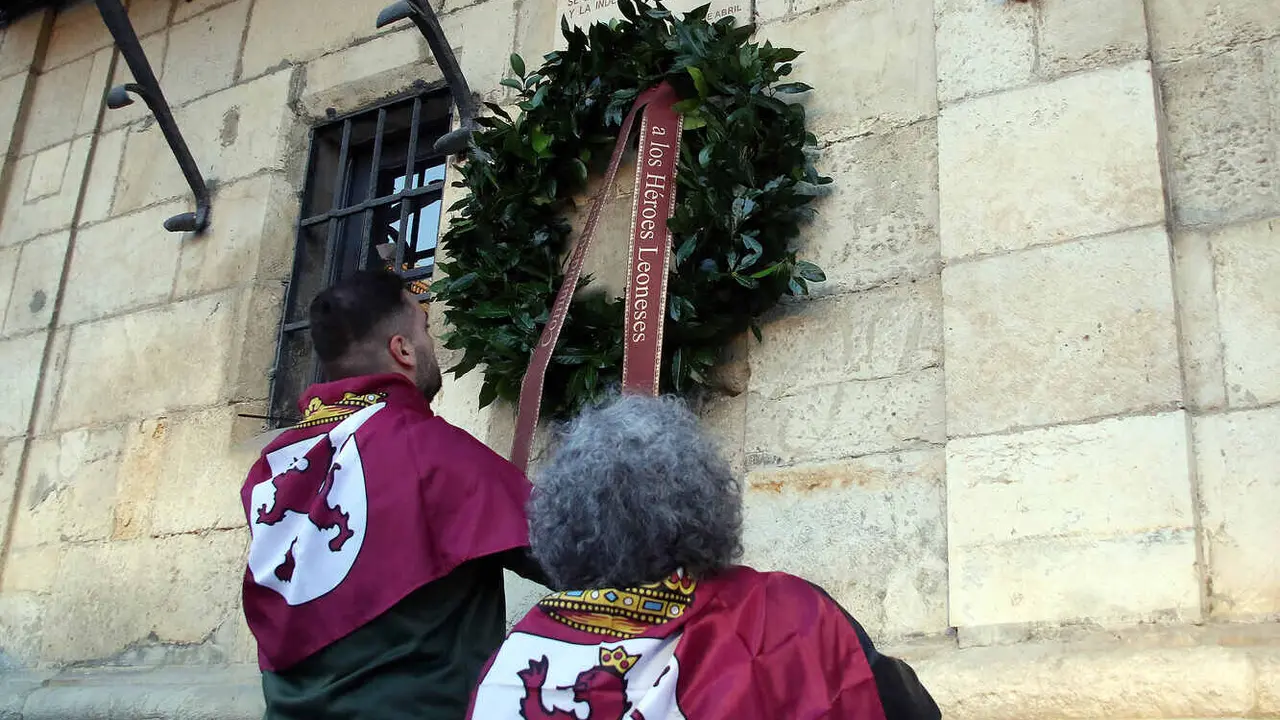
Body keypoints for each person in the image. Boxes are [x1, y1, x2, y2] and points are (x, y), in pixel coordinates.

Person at [469, 394, 941, 720]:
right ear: (705, 502)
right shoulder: (780, 613)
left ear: (558, 524)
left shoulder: (514, 661)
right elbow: (897, 704)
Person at [239, 269, 546, 719]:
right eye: (423, 328)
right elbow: (577, 550)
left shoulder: (274, 464)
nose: (429, 344)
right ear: (401, 350)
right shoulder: (432, 449)